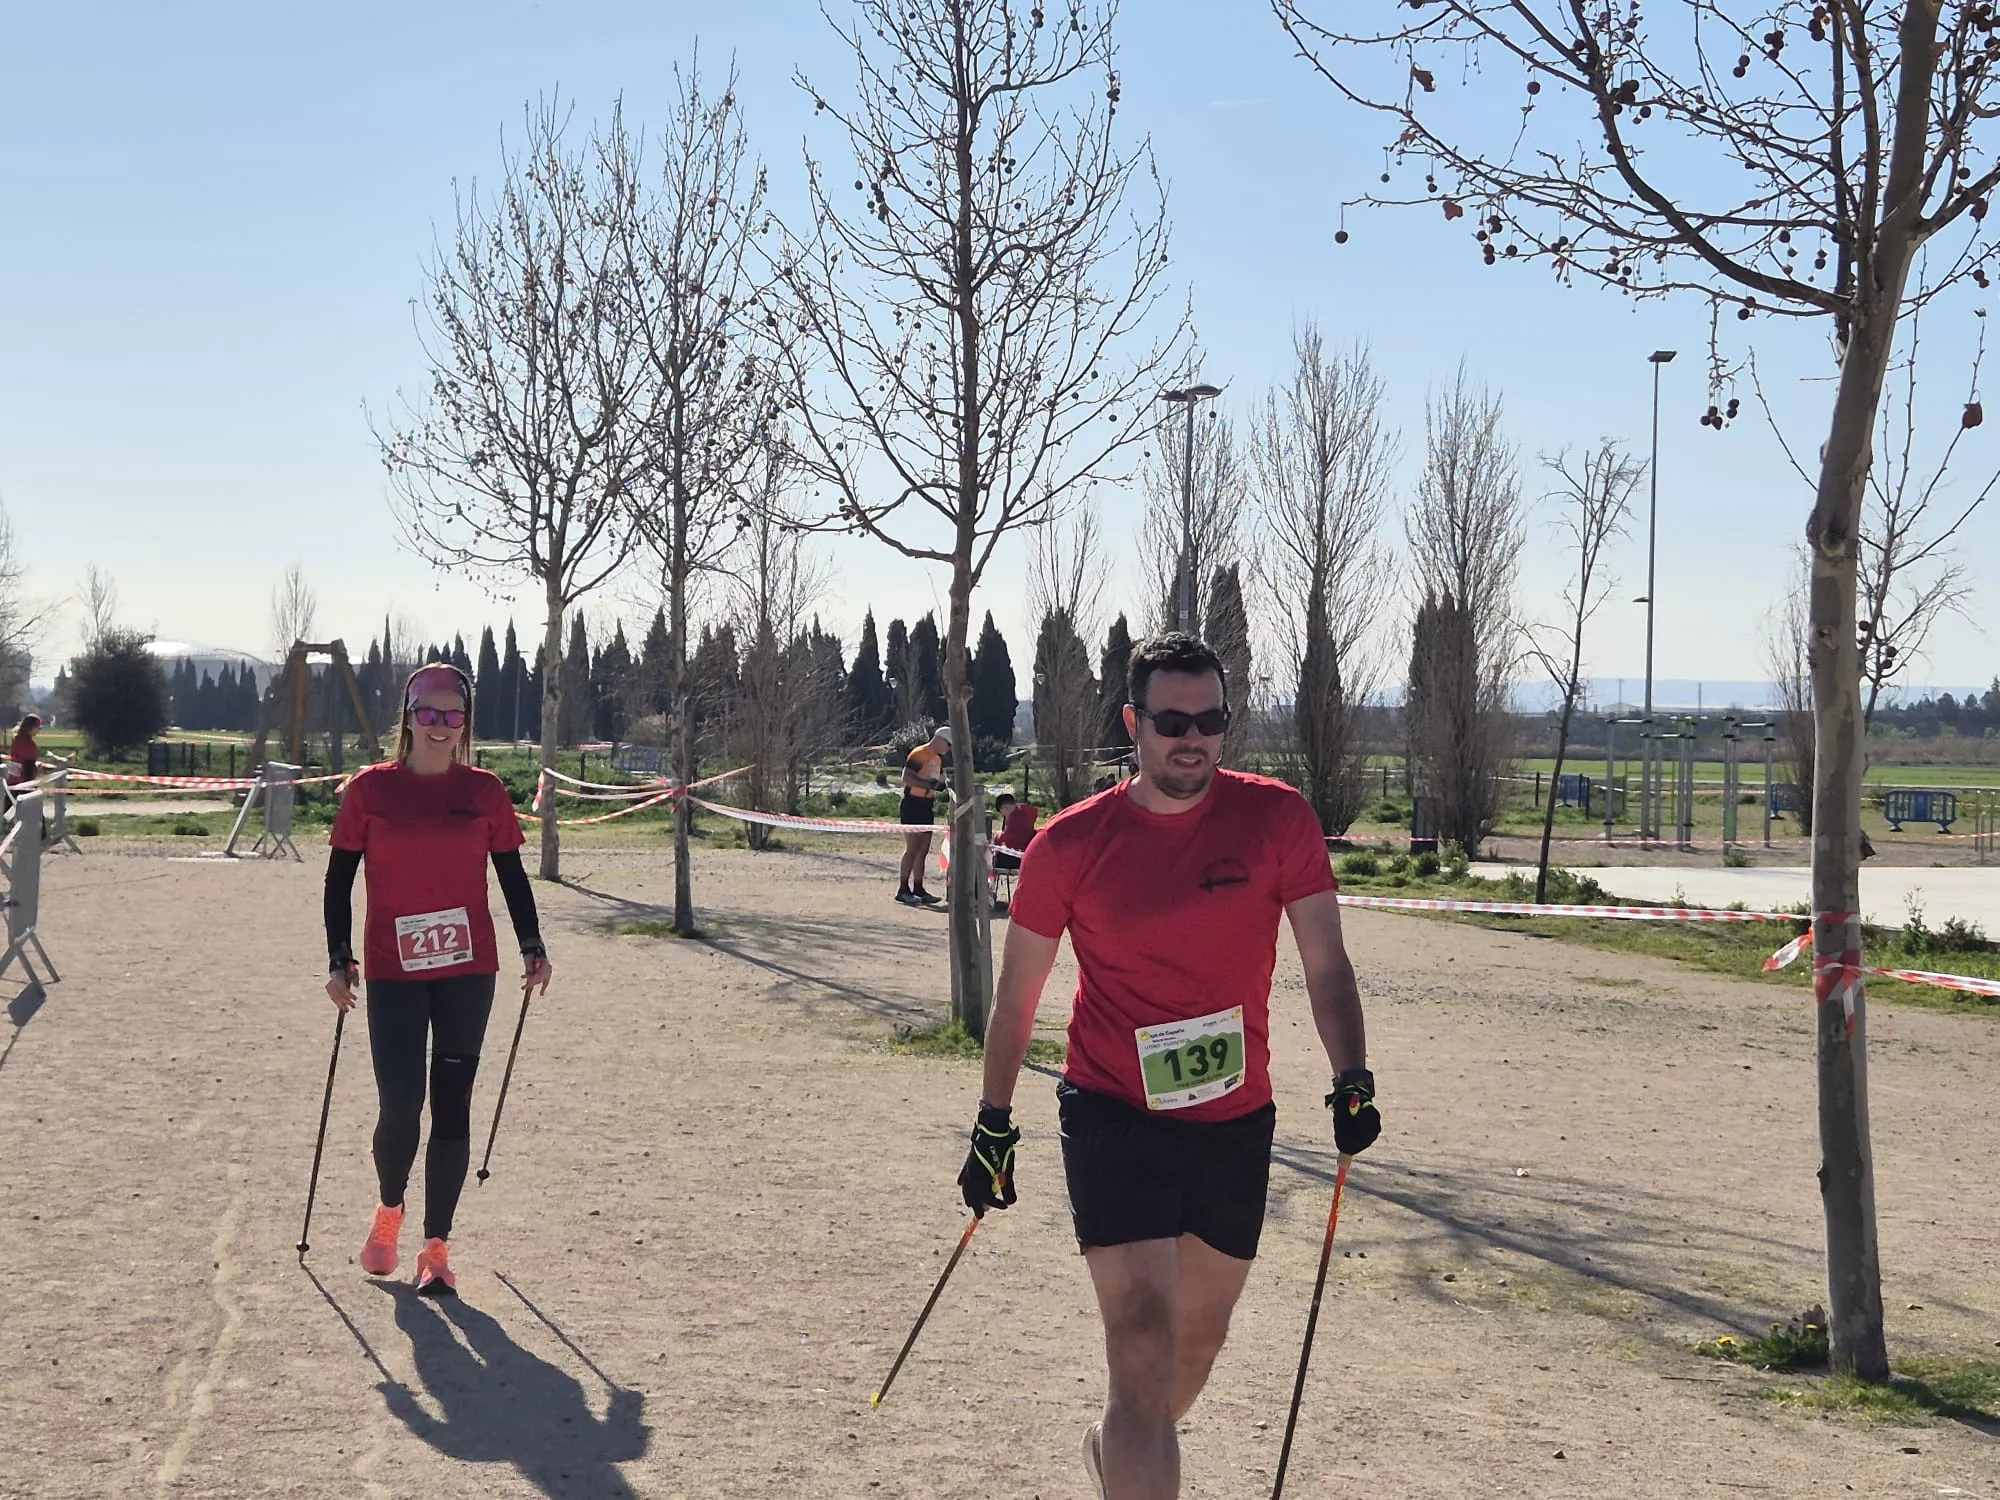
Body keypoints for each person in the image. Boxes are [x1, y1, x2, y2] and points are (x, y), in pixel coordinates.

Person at [957, 632, 1380, 1500]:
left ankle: (1119, 1442)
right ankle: (1135, 1435)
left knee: (1193, 1350)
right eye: (1172, 720)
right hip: (1115, 1113)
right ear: (1133, 724)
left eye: (1212, 719)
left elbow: (1327, 965)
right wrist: (995, 1121)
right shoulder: (1071, 846)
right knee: (1144, 1343)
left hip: (1233, 1121)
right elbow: (1018, 994)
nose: (1193, 738)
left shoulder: (1276, 820)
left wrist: (1353, 1075)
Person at [323, 664, 553, 1297]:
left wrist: (531, 944)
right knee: (401, 1104)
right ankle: (389, 1209)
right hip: (394, 971)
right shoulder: (370, 792)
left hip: (468, 970)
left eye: (454, 715)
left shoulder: (484, 792)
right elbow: (339, 879)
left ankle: (436, 1247)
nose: (441, 726)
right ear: (408, 717)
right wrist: (338, 956)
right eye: (428, 713)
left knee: (451, 1106)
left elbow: (511, 875)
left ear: (466, 724)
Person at [896, 724, 951, 906]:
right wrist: (929, 785)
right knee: (912, 848)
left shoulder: (937, 758)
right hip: (913, 803)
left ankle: (918, 887)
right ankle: (903, 889)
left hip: (927, 805)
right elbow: (907, 777)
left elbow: (941, 779)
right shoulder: (919, 753)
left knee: (923, 849)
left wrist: (945, 785)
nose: (948, 749)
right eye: (948, 745)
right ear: (940, 739)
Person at [991, 792, 1040, 873]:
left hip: (1017, 858)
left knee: (987, 860)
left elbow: (1009, 841)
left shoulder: (1015, 819)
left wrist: (998, 837)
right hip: (1028, 855)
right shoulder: (1026, 814)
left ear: (1005, 808)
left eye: (1002, 812)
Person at [8, 713, 40, 786]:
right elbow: (28, 766)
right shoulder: (29, 745)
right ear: (31, 727)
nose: (39, 730)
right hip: (23, 783)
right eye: (38, 727)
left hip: (12, 780)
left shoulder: (16, 740)